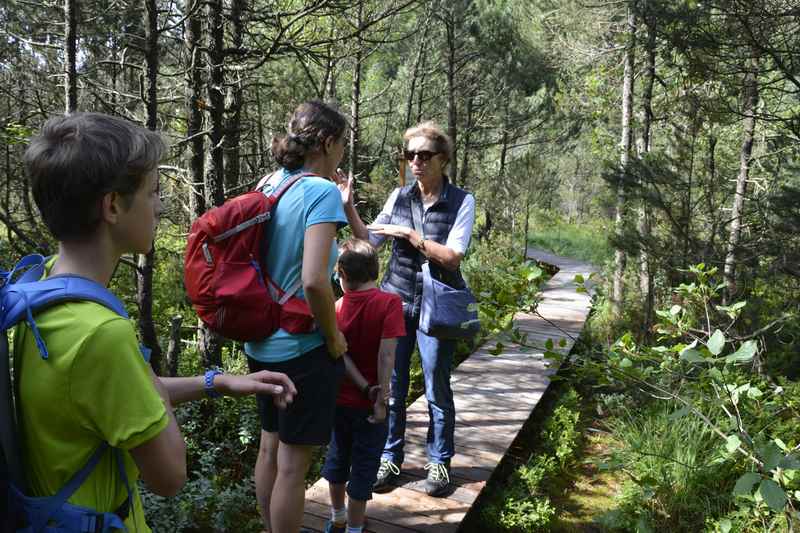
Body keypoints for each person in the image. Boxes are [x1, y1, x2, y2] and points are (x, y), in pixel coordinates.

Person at [15, 112, 297, 533]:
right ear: (112, 206)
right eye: (153, 193)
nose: (160, 206)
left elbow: (115, 396)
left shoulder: (41, 288)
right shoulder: (101, 332)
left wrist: (215, 383)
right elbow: (170, 476)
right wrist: (132, 349)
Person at [336, 121, 476, 497]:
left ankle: (440, 463)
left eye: (424, 155)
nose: (415, 161)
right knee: (392, 387)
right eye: (409, 154)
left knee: (437, 388)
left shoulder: (462, 201)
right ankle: (390, 456)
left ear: (442, 159)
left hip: (436, 309)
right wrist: (349, 206)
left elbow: (453, 257)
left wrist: (413, 237)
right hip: (395, 302)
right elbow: (369, 241)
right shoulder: (399, 198)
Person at [245, 100, 349, 533]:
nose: (343, 152)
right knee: (293, 466)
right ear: (326, 143)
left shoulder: (269, 183)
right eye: (343, 143)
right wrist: (334, 338)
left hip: (260, 340)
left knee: (269, 449)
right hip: (302, 347)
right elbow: (314, 281)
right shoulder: (321, 192)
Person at [320, 239, 405, 533]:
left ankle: (337, 518)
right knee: (365, 468)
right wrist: (380, 397)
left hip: (339, 402)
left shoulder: (335, 308)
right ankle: (355, 529)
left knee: (338, 459)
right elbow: (387, 354)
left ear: (341, 274)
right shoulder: (389, 303)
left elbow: (338, 356)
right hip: (370, 408)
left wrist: (361, 387)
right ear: (375, 270)